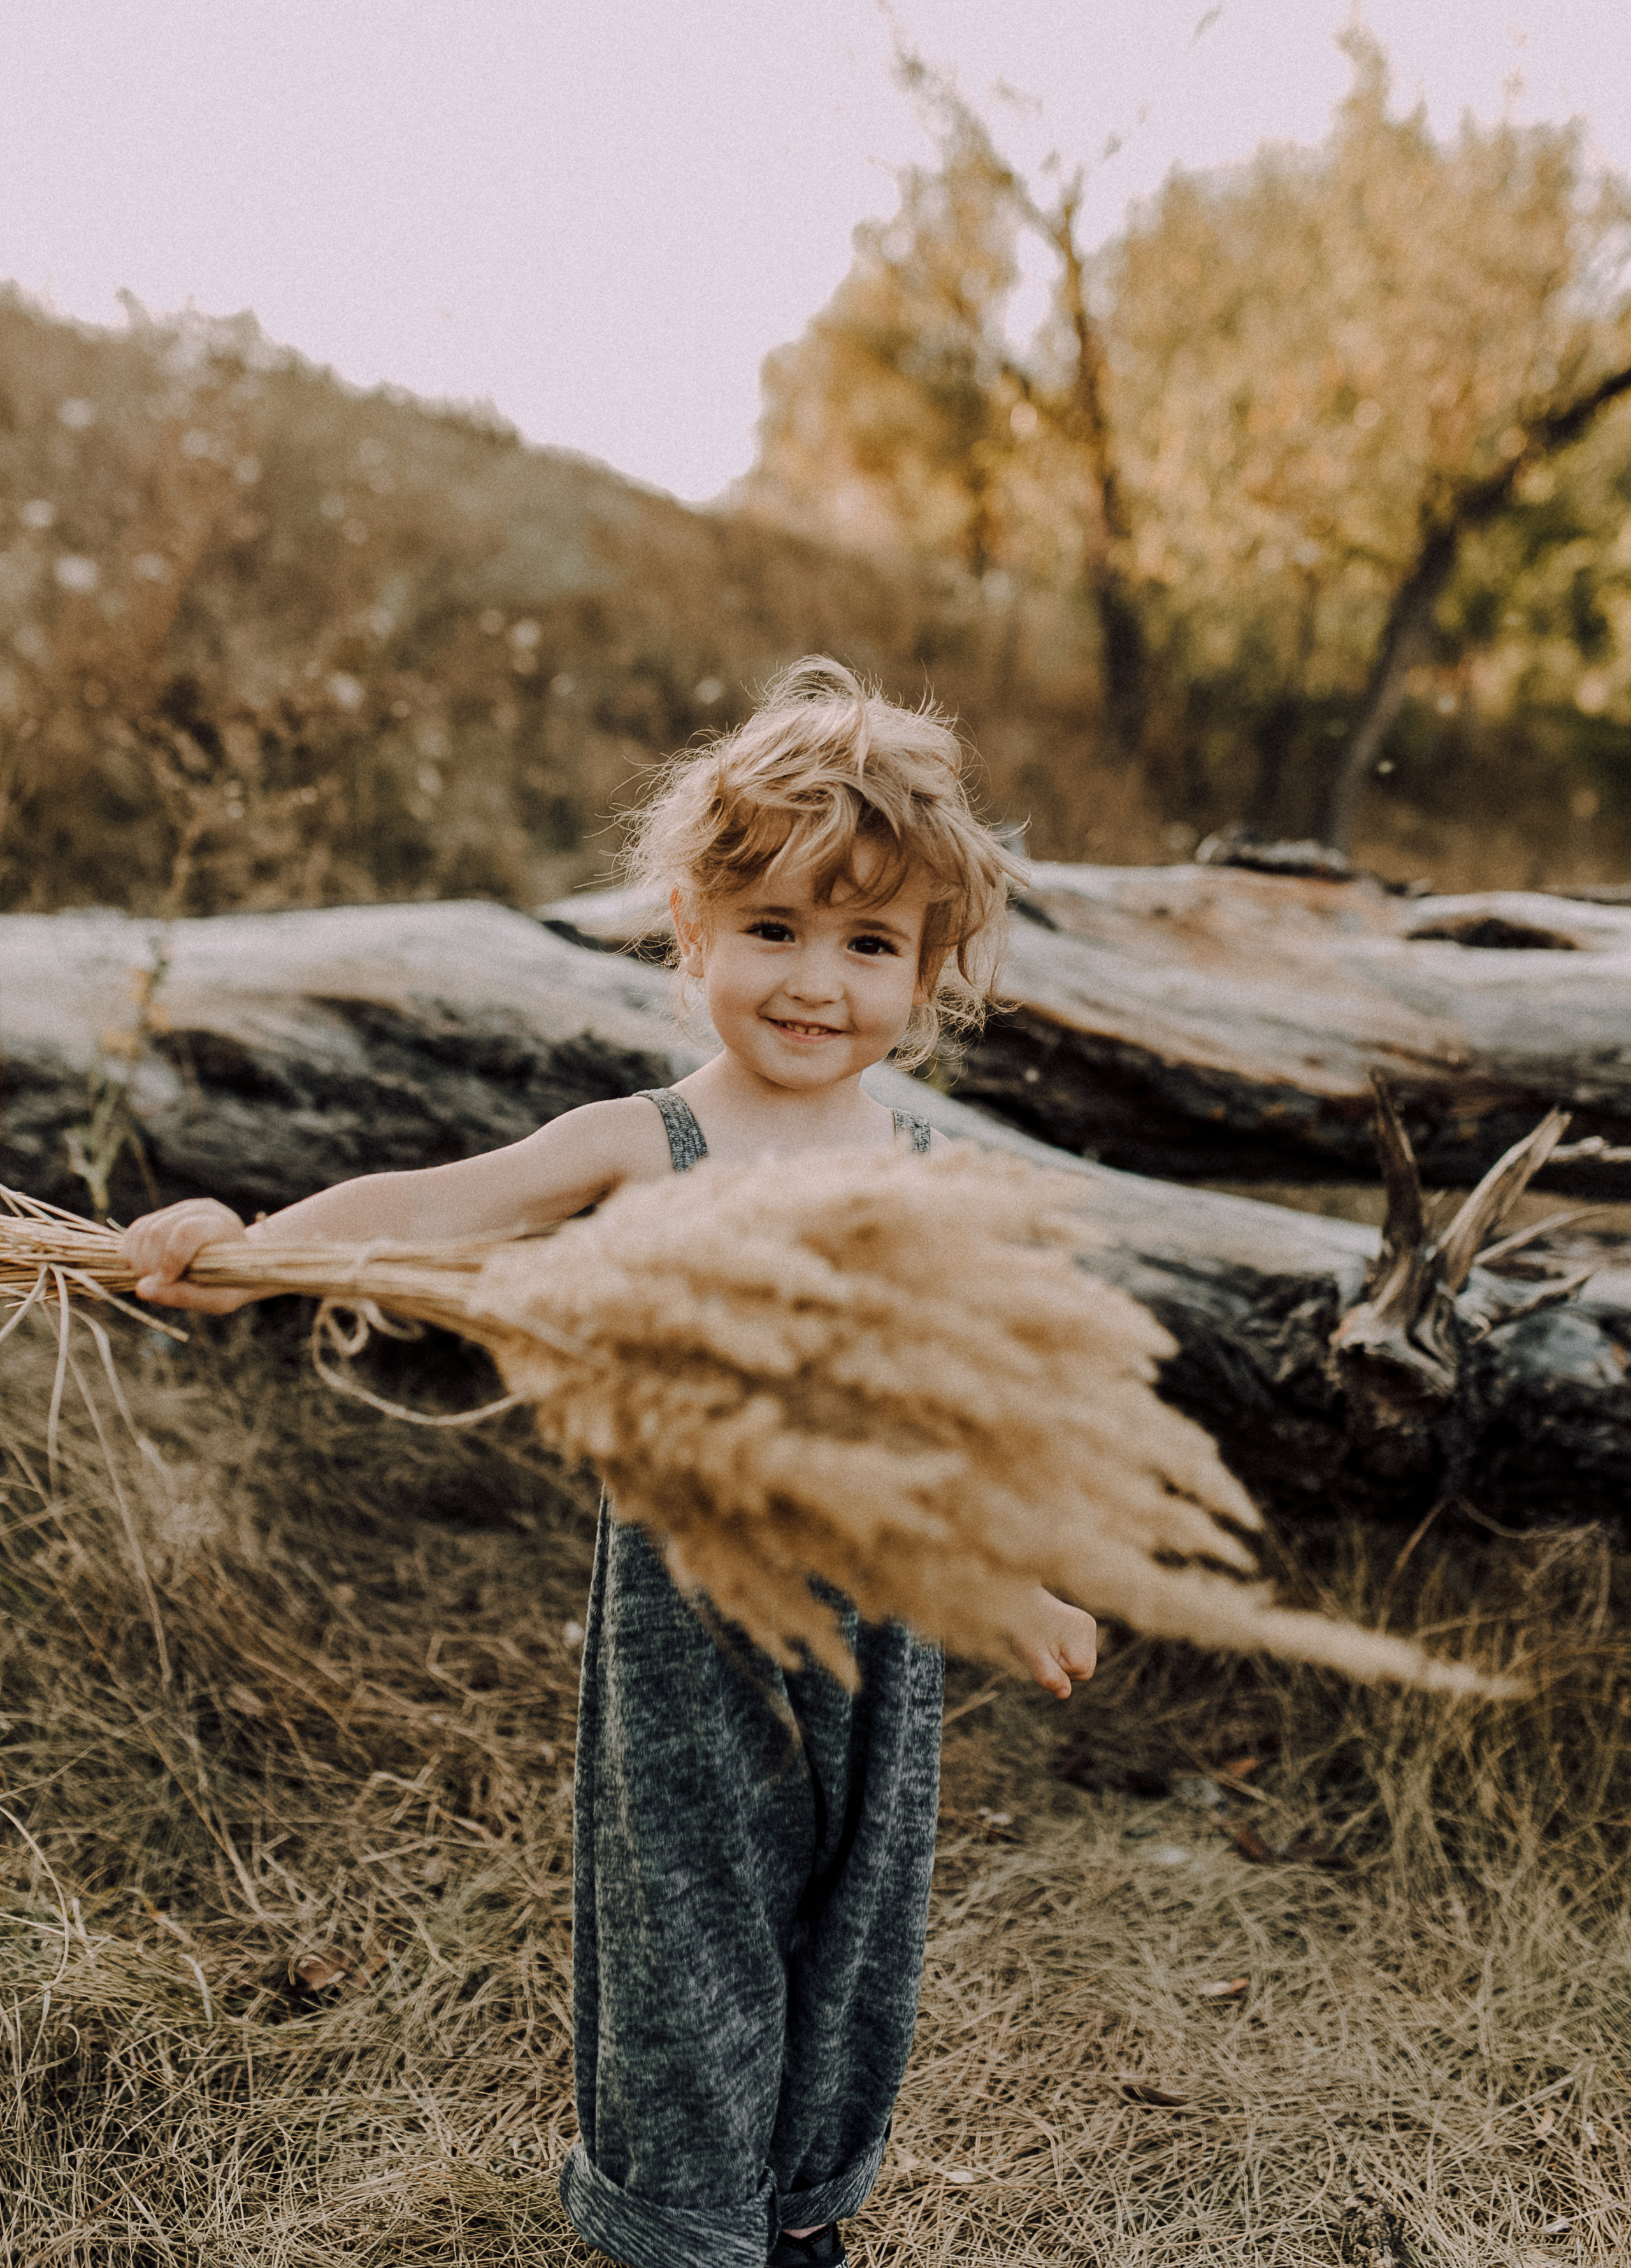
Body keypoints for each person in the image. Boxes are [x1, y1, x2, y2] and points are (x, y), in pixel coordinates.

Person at [122, 657, 1100, 2268]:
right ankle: (685, 2223)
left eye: (866, 944)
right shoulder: (649, 1142)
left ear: (928, 975)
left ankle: (801, 2216)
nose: (813, 981)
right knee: (690, 1927)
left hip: (882, 1620)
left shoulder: (933, 1176)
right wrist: (245, 1244)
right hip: (692, 1628)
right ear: (693, 934)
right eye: (772, 928)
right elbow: (432, 1204)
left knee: (853, 1934)